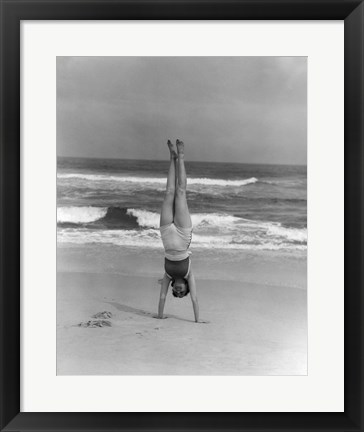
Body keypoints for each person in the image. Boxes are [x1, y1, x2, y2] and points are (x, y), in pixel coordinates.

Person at [156, 139, 207, 323]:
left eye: (175, 294)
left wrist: (160, 317)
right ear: (185, 287)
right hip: (183, 233)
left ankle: (172, 157)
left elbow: (162, 298)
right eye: (181, 292)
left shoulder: (168, 276)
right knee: (180, 192)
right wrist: (197, 320)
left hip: (166, 233)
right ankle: (182, 157)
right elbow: (195, 299)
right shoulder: (188, 274)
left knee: (169, 192)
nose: (178, 292)